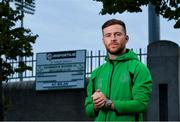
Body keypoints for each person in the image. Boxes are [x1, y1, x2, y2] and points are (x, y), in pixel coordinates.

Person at [84, 19, 152, 121]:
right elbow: (88, 110)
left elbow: (141, 104)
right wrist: (97, 105)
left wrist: (108, 103)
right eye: (108, 35)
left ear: (126, 38)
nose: (113, 39)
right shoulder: (96, 73)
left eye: (117, 34)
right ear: (103, 40)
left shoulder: (138, 68)